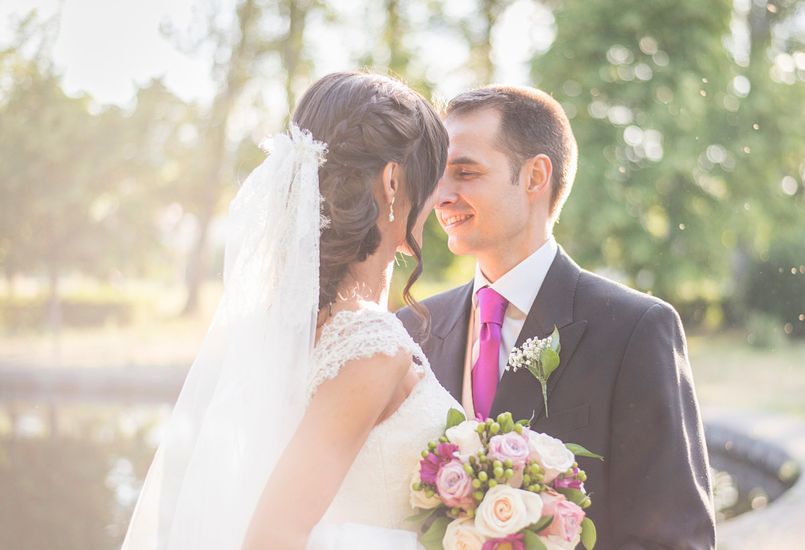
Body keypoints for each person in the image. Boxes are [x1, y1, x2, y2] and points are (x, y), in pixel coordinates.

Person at [122, 71, 458, 550]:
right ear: (391, 181)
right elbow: (273, 538)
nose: (439, 200)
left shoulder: (292, 328)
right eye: (434, 178)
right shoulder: (370, 345)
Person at [398, 85, 717, 549]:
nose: (441, 196)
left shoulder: (636, 329)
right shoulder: (413, 329)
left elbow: (674, 537)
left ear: (535, 176)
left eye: (465, 172)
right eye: (437, 176)